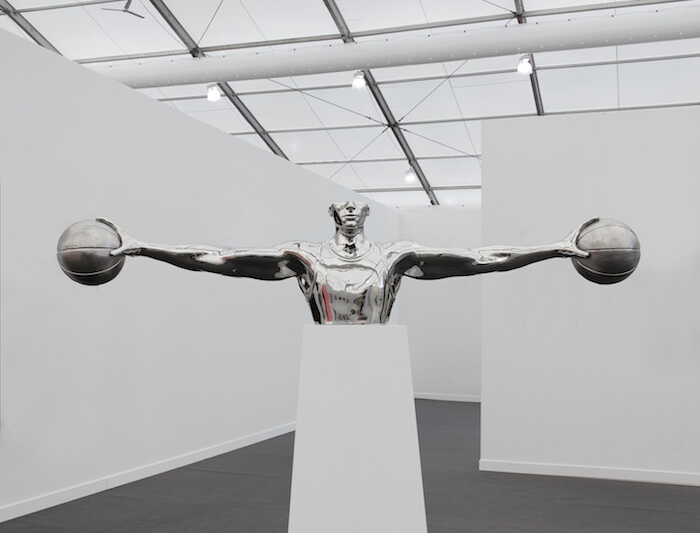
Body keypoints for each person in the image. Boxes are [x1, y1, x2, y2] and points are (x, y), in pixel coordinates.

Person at [99, 202, 593, 325]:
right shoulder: (305, 256)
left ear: (366, 216)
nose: (351, 211)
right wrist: (143, 247)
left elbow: (480, 260)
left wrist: (554, 248)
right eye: (343, 207)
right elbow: (219, 259)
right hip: (328, 357)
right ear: (333, 215)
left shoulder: (395, 256)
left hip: (377, 358)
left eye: (358, 208)